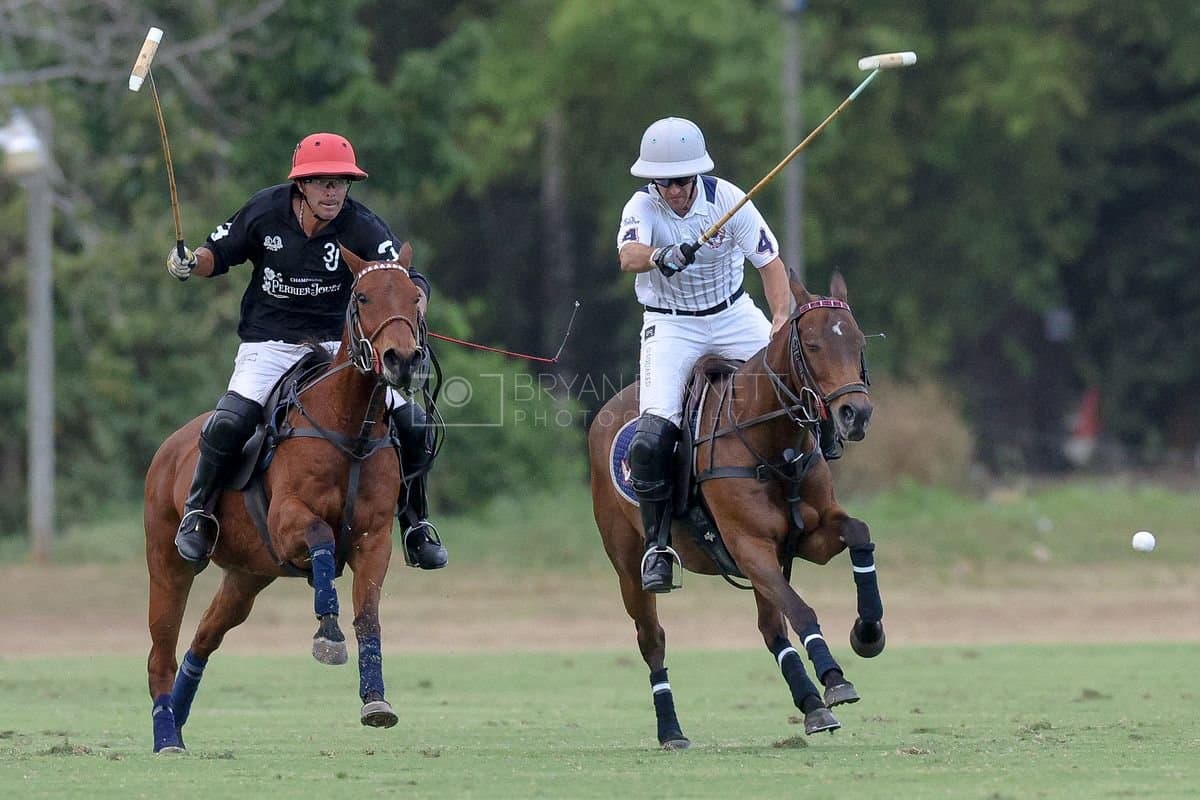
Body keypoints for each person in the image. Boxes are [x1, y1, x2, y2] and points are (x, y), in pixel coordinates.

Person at [166, 131, 447, 571]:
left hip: (338, 350)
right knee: (230, 421)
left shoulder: (363, 227)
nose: (333, 191)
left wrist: (413, 308)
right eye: (322, 181)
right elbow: (217, 253)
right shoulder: (265, 210)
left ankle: (415, 524)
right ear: (302, 185)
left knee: (412, 421)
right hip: (269, 343)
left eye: (341, 182)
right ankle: (198, 513)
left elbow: (406, 278)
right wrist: (188, 262)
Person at [616, 117, 793, 593]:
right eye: (664, 181)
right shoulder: (643, 206)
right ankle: (657, 546)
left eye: (682, 180)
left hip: (733, 315)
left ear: (697, 174)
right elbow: (629, 255)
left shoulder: (730, 201)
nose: (673, 190)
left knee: (794, 384)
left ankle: (805, 491)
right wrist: (659, 256)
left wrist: (779, 320)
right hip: (671, 324)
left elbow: (770, 264)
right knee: (652, 436)